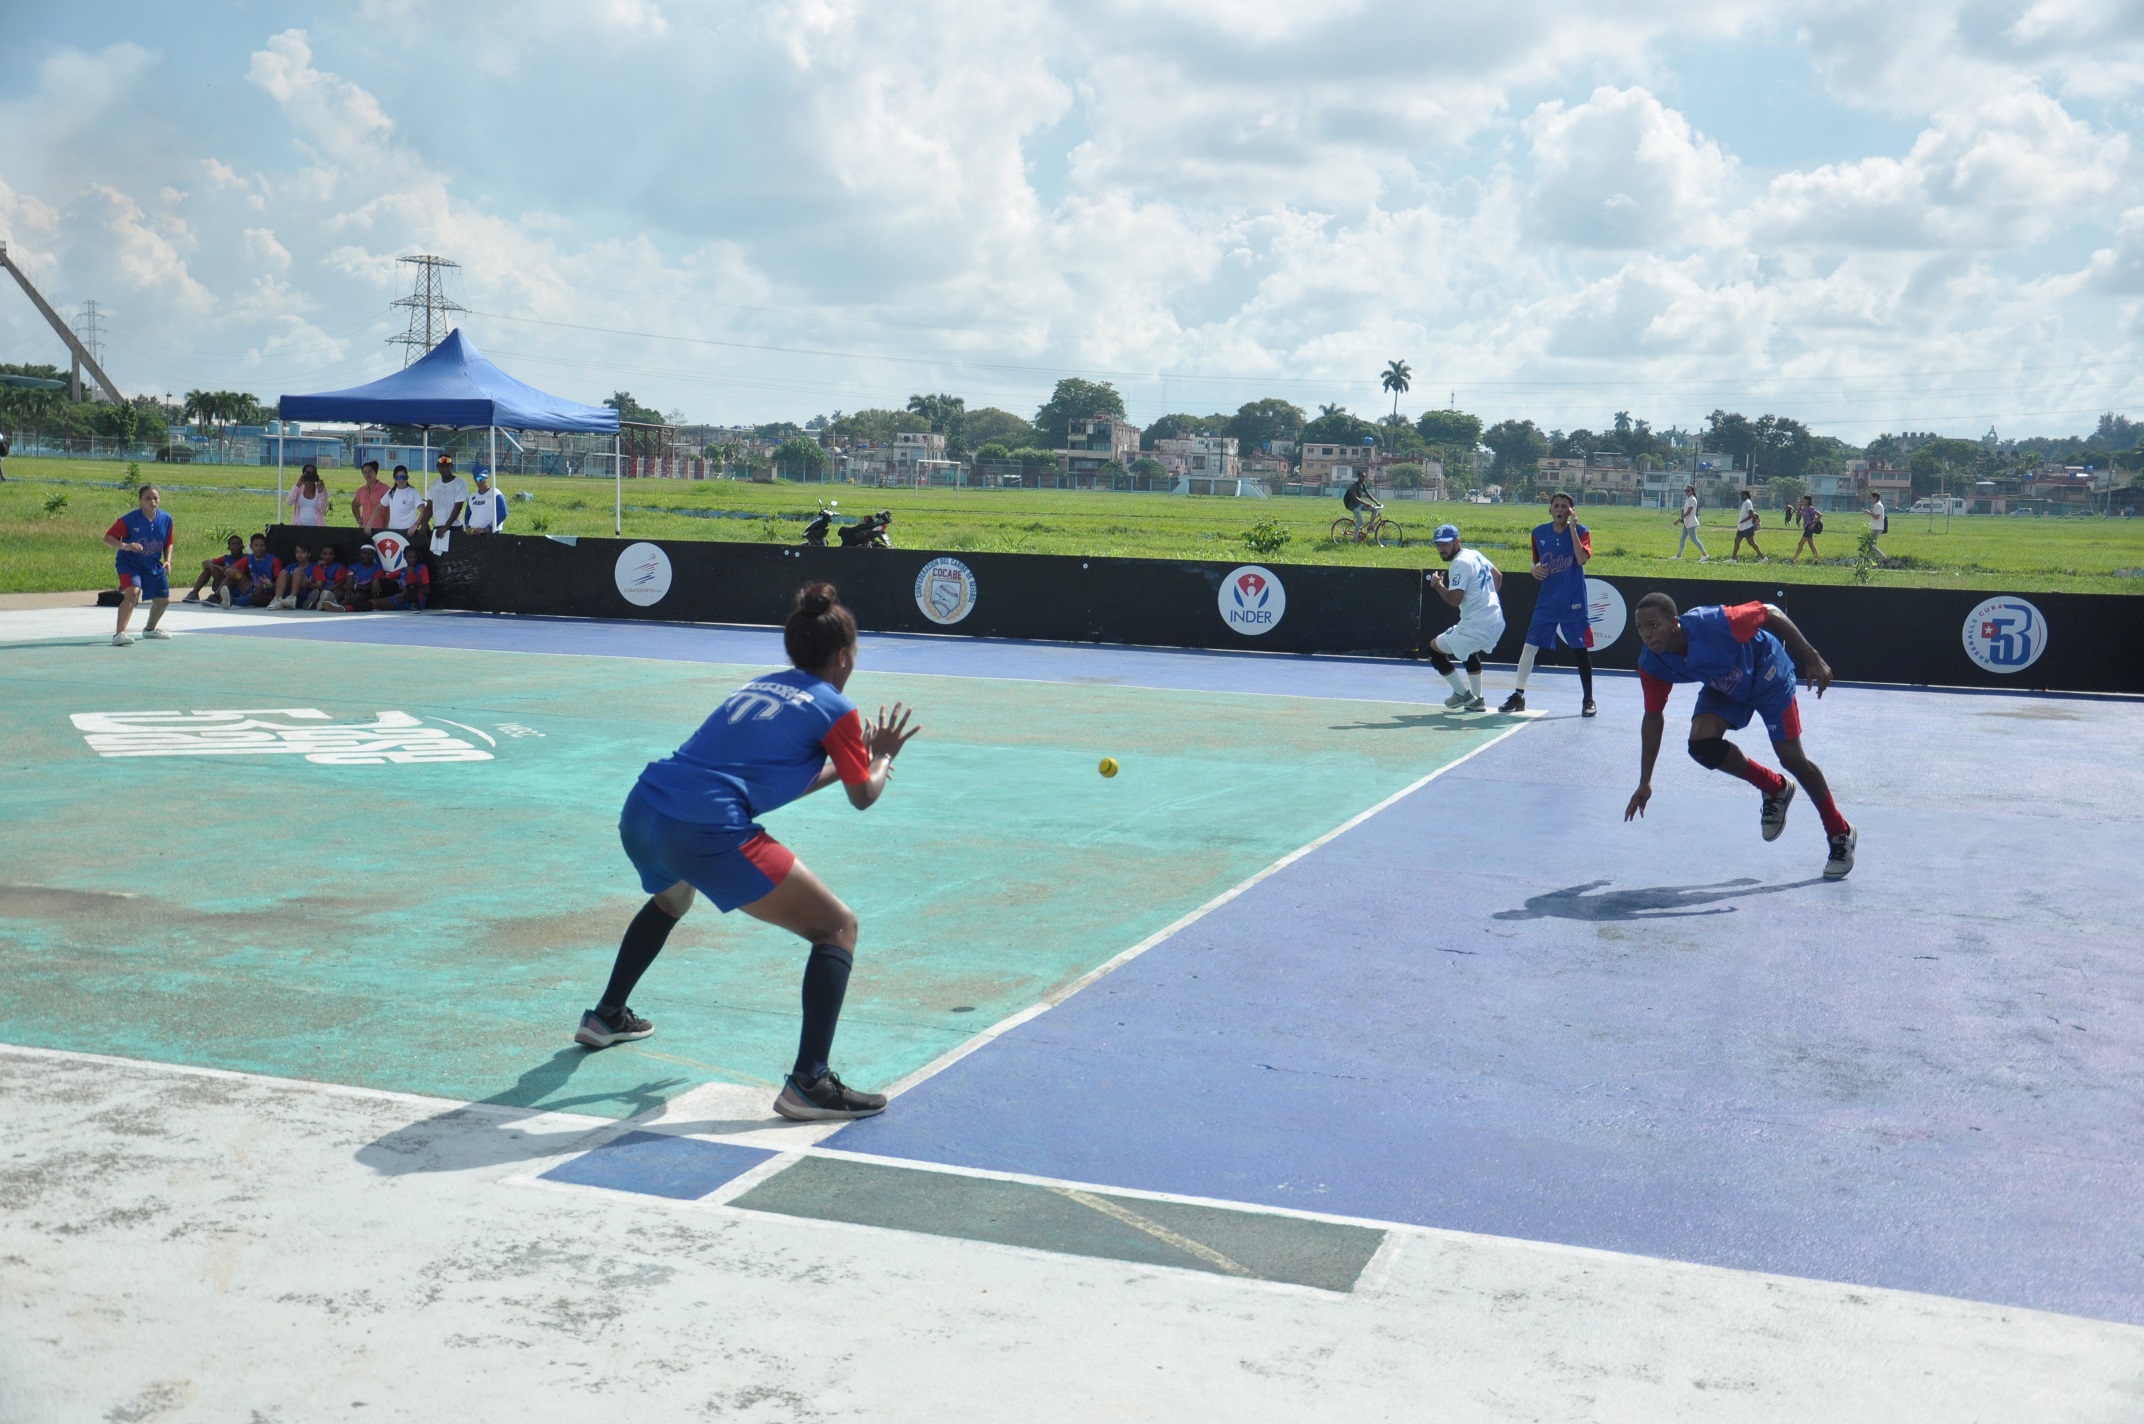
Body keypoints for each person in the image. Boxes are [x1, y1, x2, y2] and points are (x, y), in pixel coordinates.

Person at [578, 581, 921, 1123]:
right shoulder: (837, 708)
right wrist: (880, 758)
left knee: (673, 897)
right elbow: (864, 796)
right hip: (705, 827)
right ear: (844, 656)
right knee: (837, 928)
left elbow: (769, 780)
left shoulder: (761, 686)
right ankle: (810, 1083)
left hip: (645, 808)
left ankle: (606, 1016)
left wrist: (853, 764)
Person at [1623, 592, 1856, 879]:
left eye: (1653, 625)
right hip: (1726, 685)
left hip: (1766, 670)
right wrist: (1645, 780)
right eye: (1641, 628)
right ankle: (1775, 788)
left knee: (1793, 759)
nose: (1647, 634)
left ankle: (1840, 833)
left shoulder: (1714, 622)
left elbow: (1770, 611)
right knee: (1702, 746)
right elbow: (1653, 717)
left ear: (1674, 623)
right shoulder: (1652, 663)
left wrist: (1811, 656)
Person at [1500, 492, 1595, 716]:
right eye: (1556, 506)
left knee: (1580, 650)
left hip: (1573, 600)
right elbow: (1535, 561)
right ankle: (1518, 695)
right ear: (1550, 510)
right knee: (1529, 647)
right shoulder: (1539, 533)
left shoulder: (1582, 532)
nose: (1560, 510)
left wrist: (1573, 528)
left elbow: (1581, 560)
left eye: (1565, 507)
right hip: (1548, 601)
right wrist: (1533, 569)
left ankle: (1588, 699)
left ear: (1572, 511)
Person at [1425, 523, 1504, 713]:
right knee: (1469, 651)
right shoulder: (1475, 553)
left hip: (1477, 626)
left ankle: (1461, 694)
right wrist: (1488, 597)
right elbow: (1498, 575)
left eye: (1445, 544)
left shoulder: (1459, 563)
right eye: (1438, 544)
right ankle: (1478, 699)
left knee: (1433, 650)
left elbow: (1454, 600)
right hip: (1496, 622)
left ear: (1457, 542)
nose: (1441, 549)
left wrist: (1437, 585)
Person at [104, 484, 175, 645]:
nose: (152, 501)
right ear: (140, 500)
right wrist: (125, 546)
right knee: (133, 593)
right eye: (148, 498)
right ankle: (119, 634)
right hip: (129, 563)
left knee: (163, 601)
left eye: (155, 498)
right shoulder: (128, 520)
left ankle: (149, 630)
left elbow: (169, 542)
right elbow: (108, 538)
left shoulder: (166, 519)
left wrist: (168, 560)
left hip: (152, 565)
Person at [183, 534, 246, 603]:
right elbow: (206, 562)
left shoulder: (246, 558)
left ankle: (216, 597)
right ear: (228, 547)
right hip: (222, 584)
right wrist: (213, 568)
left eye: (238, 544)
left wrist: (217, 567)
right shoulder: (226, 558)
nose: (236, 545)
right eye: (233, 544)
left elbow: (229, 569)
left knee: (232, 573)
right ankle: (194, 593)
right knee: (208, 569)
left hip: (238, 586)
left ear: (242, 547)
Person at [229, 534, 283, 608]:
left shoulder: (274, 560)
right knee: (236, 574)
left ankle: (232, 601)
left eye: (262, 545)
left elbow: (282, 582)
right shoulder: (248, 558)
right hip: (251, 588)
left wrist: (266, 586)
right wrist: (228, 571)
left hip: (268, 593)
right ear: (251, 546)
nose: (259, 548)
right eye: (256, 545)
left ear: (266, 546)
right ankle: (216, 596)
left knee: (254, 597)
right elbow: (231, 569)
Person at [326, 544, 382, 610]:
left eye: (370, 554)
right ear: (360, 554)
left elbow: (372, 587)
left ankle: (337, 606)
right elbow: (349, 583)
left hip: (365, 593)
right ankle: (327, 603)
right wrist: (349, 590)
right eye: (364, 553)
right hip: (352, 589)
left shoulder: (378, 568)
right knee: (338, 591)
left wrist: (356, 587)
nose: (367, 556)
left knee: (358, 596)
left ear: (374, 555)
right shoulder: (353, 567)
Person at [426, 455, 468, 536]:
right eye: (442, 466)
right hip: (437, 527)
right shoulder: (435, 484)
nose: (444, 469)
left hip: (454, 527)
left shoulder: (460, 483)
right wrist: (424, 524)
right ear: (437, 467)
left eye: (447, 466)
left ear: (451, 466)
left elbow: (458, 506)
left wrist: (446, 527)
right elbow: (429, 505)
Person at [267, 543, 316, 608]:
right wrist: (270, 584)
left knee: (297, 571)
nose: (300, 555)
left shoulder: (315, 567)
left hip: (304, 595)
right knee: (283, 572)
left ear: (309, 554)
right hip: (286, 599)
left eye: (303, 552)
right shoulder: (290, 566)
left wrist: (310, 585)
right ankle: (277, 599)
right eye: (297, 552)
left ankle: (292, 598)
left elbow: (320, 586)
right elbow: (279, 582)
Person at [463, 468, 507, 535]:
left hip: (491, 533)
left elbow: (503, 513)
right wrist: (468, 527)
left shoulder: (496, 494)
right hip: (473, 533)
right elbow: (467, 516)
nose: (480, 481)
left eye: (482, 478)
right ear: (474, 480)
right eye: (478, 479)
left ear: (487, 478)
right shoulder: (472, 497)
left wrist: (488, 529)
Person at [382, 466, 425, 533]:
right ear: (394, 478)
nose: (401, 480)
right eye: (398, 478)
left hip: (409, 532)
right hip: (393, 531)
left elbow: (423, 511)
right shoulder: (391, 492)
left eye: (404, 477)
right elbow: (378, 507)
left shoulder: (413, 492)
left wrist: (416, 525)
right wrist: (369, 524)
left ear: (407, 478)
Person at [1671, 484, 1708, 561]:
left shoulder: (1693, 499)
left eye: (1689, 490)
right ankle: (1678, 555)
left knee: (1694, 539)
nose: (1687, 492)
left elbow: (1688, 512)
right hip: (1686, 522)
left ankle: (1705, 555)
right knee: (1682, 538)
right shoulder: (1689, 499)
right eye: (1686, 490)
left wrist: (1679, 520)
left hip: (1691, 522)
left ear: (1692, 491)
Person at [351, 461, 390, 533]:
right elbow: (354, 505)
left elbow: (390, 509)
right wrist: (358, 519)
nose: (367, 474)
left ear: (376, 472)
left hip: (381, 529)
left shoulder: (385, 489)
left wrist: (387, 526)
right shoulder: (361, 491)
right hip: (365, 528)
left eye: (370, 471)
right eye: (365, 472)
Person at [1729, 490, 1766, 562]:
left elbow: (1752, 514)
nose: (1741, 497)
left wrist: (1743, 520)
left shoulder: (1748, 503)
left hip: (1747, 527)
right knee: (1736, 541)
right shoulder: (1745, 503)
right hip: (1742, 528)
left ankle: (1763, 558)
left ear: (1746, 495)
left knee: (1751, 543)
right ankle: (1733, 558)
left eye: (1742, 495)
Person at [1342, 470, 1382, 536]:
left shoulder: (1363, 485)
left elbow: (1368, 495)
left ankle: (1370, 527)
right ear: (1358, 477)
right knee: (1360, 522)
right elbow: (1355, 498)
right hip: (1353, 506)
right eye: (1361, 476)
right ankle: (1354, 539)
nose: (1363, 478)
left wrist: (1377, 502)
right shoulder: (1354, 485)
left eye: (1364, 477)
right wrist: (1365, 503)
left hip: (1359, 504)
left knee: (1374, 509)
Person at [1788, 495, 1823, 562]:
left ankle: (1794, 559)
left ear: (1808, 501)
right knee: (1811, 545)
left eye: (1805, 500)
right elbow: (1798, 517)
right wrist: (1798, 508)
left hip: (1810, 528)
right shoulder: (1803, 508)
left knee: (1800, 543)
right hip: (1806, 527)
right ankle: (1817, 559)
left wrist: (1814, 523)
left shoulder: (1811, 508)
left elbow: (1820, 515)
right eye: (1803, 500)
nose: (1803, 501)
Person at [1867, 491, 1888, 560]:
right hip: (1876, 527)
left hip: (1877, 528)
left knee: (1872, 545)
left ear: (1875, 498)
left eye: (1871, 498)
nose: (1870, 500)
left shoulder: (1878, 505)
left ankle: (1884, 558)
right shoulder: (1877, 505)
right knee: (1871, 546)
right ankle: (1873, 562)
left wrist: (1869, 513)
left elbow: (1877, 517)